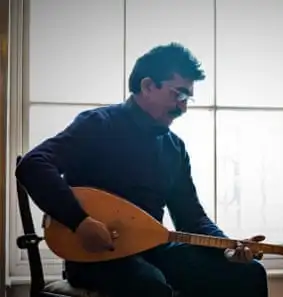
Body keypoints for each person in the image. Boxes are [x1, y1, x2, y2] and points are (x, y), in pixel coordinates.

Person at [15, 43, 269, 297]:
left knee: (248, 273)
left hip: (152, 250)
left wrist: (227, 247)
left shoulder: (174, 148)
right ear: (148, 86)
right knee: (150, 286)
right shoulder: (98, 125)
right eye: (178, 95)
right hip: (95, 257)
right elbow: (34, 164)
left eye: (187, 98)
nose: (183, 107)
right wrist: (79, 221)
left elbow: (191, 217)